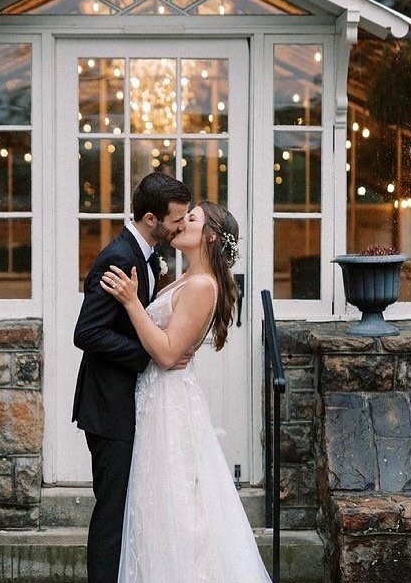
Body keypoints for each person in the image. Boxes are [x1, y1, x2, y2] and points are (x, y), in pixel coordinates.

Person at [101, 201, 272, 582]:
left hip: (169, 402)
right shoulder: (186, 278)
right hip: (155, 398)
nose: (179, 224)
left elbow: (165, 353)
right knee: (155, 504)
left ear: (210, 236)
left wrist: (131, 302)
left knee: (174, 505)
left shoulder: (200, 286)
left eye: (190, 219)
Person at [72, 172, 193, 583]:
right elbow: (86, 333)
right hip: (109, 407)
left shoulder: (143, 254)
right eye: (176, 219)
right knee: (111, 513)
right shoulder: (119, 257)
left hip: (127, 403)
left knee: (125, 509)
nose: (180, 225)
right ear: (150, 218)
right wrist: (148, 355)